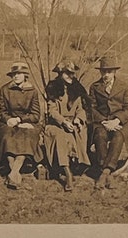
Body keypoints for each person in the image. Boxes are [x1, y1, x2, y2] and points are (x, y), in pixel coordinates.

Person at [89, 56, 128, 189]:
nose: (106, 75)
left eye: (109, 72)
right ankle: (107, 172)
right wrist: (105, 121)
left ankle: (105, 172)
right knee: (100, 135)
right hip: (102, 123)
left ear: (114, 72)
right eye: (103, 72)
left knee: (118, 137)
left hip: (120, 123)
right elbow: (91, 108)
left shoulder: (123, 86)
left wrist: (117, 120)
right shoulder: (95, 87)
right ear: (100, 72)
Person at [44, 60, 91, 191]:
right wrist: (63, 122)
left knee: (81, 131)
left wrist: (78, 119)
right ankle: (67, 172)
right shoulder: (53, 88)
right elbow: (52, 111)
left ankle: (79, 165)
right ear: (60, 74)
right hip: (56, 124)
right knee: (59, 135)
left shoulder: (76, 88)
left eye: (72, 74)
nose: (70, 76)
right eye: (67, 73)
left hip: (72, 122)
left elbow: (81, 108)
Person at [0, 61, 43, 189]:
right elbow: (2, 111)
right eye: (14, 74)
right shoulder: (4, 89)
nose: (16, 76)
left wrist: (20, 120)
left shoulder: (32, 91)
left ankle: (13, 173)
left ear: (25, 76)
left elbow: (35, 115)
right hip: (8, 122)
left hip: (27, 123)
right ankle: (15, 173)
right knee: (7, 137)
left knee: (27, 137)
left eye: (19, 74)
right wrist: (8, 120)